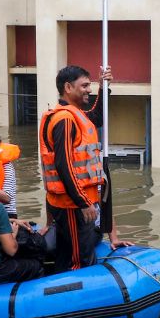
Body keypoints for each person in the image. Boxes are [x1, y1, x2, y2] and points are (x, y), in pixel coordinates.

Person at [39, 66, 106, 272]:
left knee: (75, 253)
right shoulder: (65, 120)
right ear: (68, 87)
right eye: (84, 85)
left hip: (76, 202)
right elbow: (64, 165)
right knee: (77, 262)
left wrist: (104, 88)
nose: (89, 90)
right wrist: (83, 202)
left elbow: (97, 118)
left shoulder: (76, 115)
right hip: (73, 205)